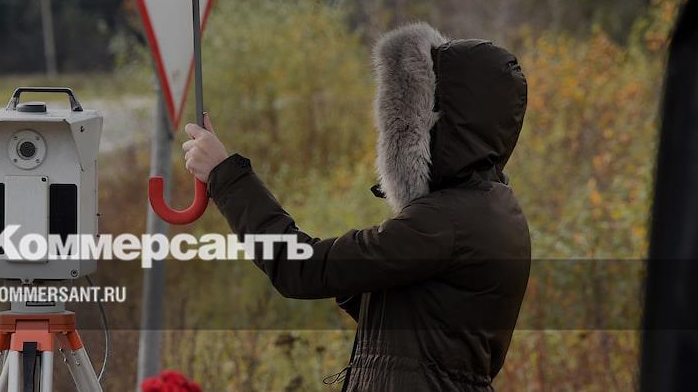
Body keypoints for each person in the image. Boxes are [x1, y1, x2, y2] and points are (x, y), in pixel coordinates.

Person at [182, 22, 532, 391]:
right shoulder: (491, 211)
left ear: (442, 125)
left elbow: (298, 269)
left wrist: (225, 175)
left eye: (411, 118)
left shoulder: (447, 222)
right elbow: (412, 317)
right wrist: (349, 270)